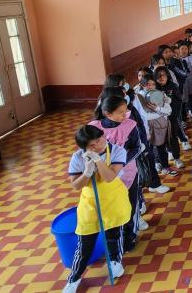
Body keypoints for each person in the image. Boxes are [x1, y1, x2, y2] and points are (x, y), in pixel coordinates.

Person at [63, 125, 130, 293]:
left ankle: (115, 262)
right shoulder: (78, 157)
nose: (98, 146)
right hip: (90, 205)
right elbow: (76, 186)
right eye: (92, 145)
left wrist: (98, 160)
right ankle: (74, 279)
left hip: (113, 201)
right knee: (85, 244)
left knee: (113, 236)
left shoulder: (117, 151)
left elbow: (109, 177)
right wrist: (86, 172)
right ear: (84, 147)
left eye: (99, 140)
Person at [90, 94, 142, 252]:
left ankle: (129, 236)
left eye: (126, 110)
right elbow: (87, 148)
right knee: (111, 207)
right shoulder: (94, 127)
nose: (125, 115)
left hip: (128, 173)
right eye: (120, 112)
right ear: (107, 113)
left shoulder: (130, 125)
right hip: (104, 175)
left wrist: (121, 163)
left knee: (130, 205)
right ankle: (113, 240)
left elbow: (136, 147)